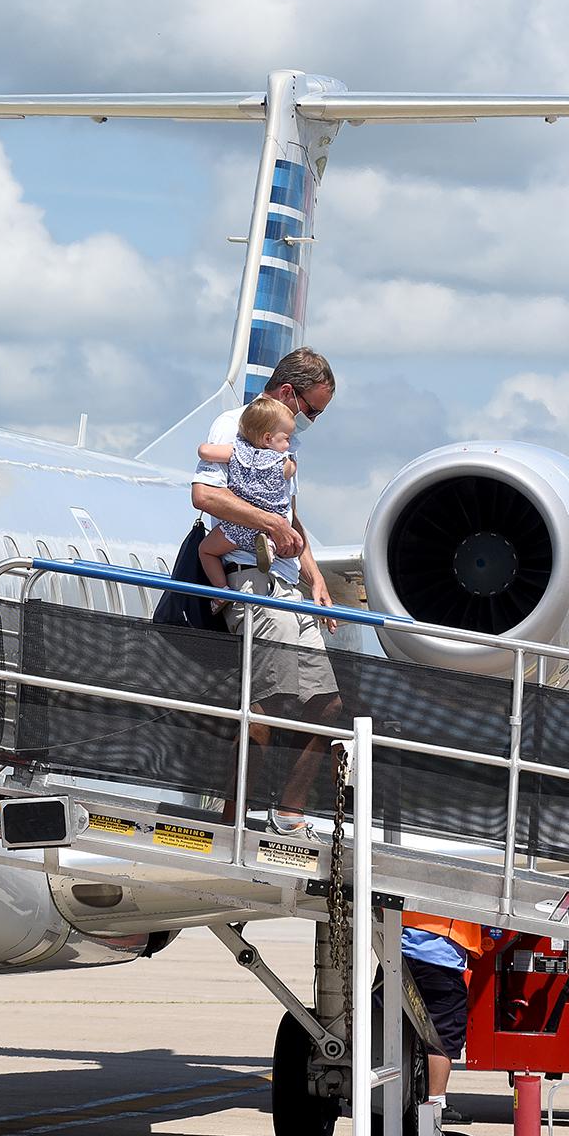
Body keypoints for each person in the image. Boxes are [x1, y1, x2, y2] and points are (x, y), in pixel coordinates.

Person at [190, 347, 340, 836]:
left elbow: (291, 520)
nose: (311, 420)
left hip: (289, 580)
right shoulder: (235, 426)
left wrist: (315, 576)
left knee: (327, 703)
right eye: (312, 410)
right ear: (288, 393)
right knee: (272, 700)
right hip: (250, 574)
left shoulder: (283, 444)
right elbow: (205, 494)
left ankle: (289, 811)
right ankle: (233, 817)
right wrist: (267, 522)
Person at [195, 396, 297, 605]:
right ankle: (269, 545)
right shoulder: (280, 461)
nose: (289, 444)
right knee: (294, 543)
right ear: (268, 439)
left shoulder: (236, 452)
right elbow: (290, 469)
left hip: (238, 525)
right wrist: (289, 459)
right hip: (269, 524)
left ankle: (221, 592)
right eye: (287, 438)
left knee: (205, 550)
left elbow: (204, 451)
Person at [388, 912, 487, 1126]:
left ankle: (381, 1095)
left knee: (387, 1025)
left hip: (400, 952)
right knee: (442, 1037)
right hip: (441, 960)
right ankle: (437, 1101)